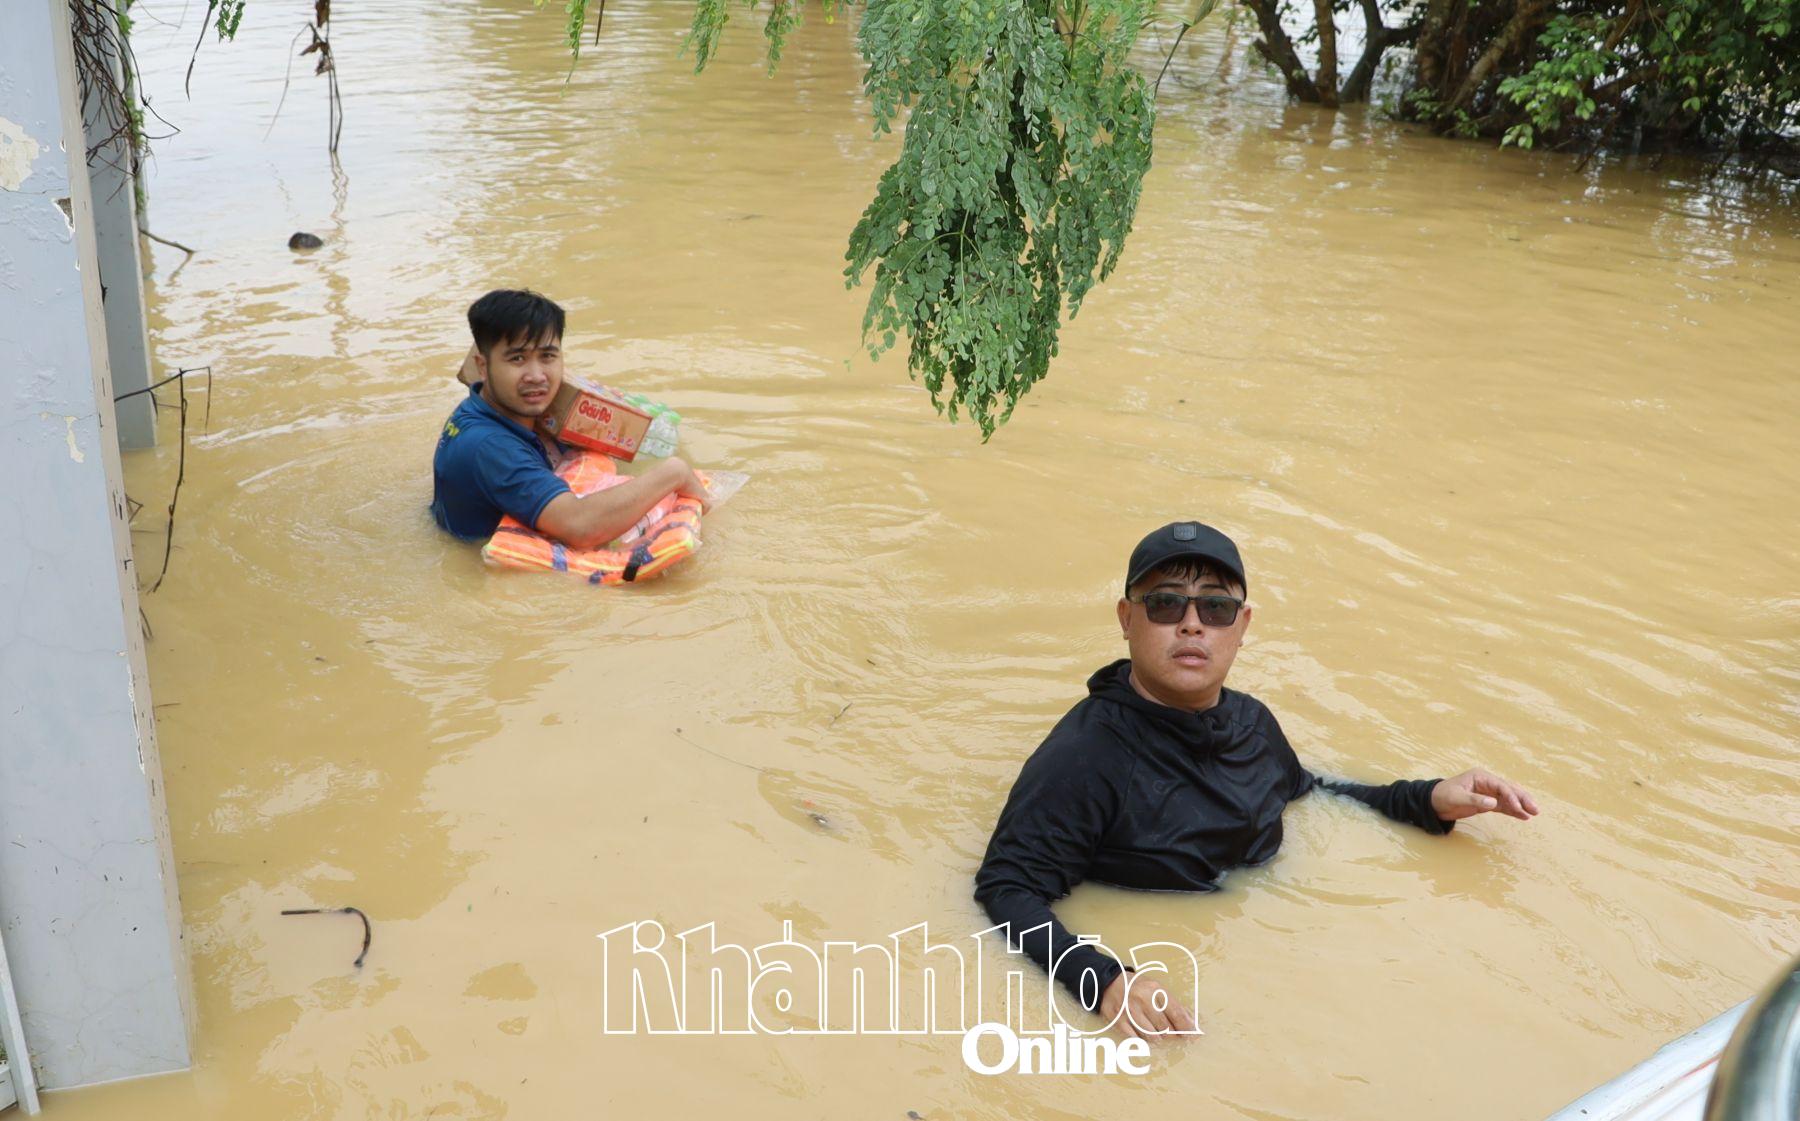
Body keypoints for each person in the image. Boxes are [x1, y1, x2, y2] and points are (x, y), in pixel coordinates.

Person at [973, 521, 1539, 1040]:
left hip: (1268, 954)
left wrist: (1427, 800)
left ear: (1242, 627)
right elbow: (1008, 888)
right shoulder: (1084, 756)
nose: (1192, 623)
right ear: (1126, 619)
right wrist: (1102, 979)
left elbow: (1307, 790)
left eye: (1216, 608)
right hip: (1175, 974)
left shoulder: (1250, 722)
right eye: (1166, 604)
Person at [430, 289, 709, 546]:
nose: (537, 376)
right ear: (482, 365)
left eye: (548, 356)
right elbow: (581, 527)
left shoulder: (482, 408)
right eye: (517, 359)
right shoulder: (491, 446)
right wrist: (675, 474)